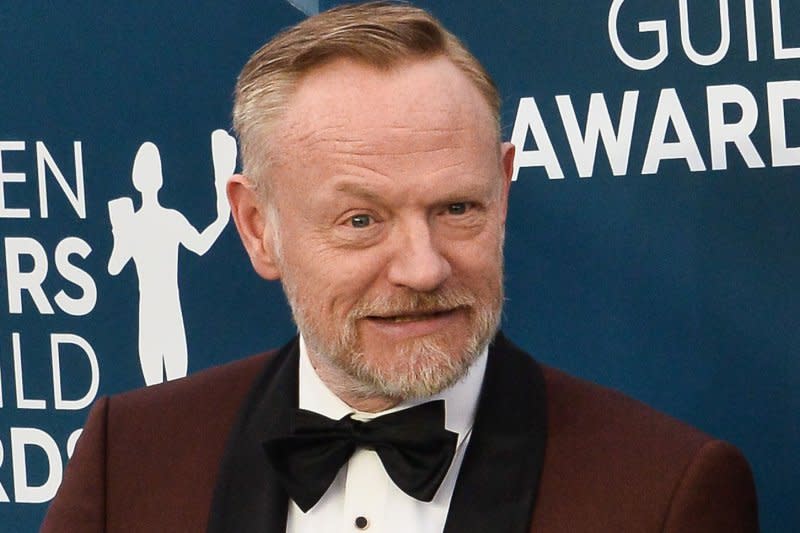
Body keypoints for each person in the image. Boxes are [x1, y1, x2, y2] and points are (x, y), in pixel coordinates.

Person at [41, 3, 759, 532]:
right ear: (259, 228)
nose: (422, 267)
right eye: (361, 220)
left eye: (456, 209)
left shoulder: (665, 491)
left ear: (503, 193)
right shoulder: (127, 459)